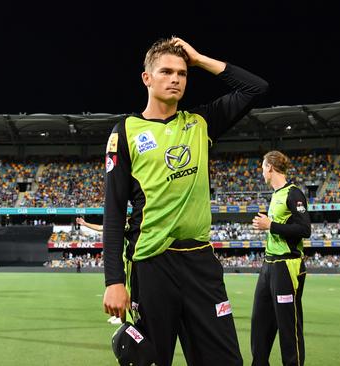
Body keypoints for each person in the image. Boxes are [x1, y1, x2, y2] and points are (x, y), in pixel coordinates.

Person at [103, 36, 268, 365]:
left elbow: (256, 89)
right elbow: (113, 211)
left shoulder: (201, 123)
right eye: (165, 71)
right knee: (150, 359)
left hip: (200, 264)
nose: (176, 78)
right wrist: (114, 281)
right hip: (152, 265)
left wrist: (200, 59)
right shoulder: (125, 131)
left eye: (182, 72)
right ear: (146, 78)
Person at [250, 150, 311, 366]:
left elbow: (305, 229)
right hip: (269, 265)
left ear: (270, 168)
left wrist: (270, 225)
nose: (261, 171)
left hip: (287, 266)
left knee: (288, 326)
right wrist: (267, 224)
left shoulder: (293, 194)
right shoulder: (276, 194)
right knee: (259, 323)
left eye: (262, 166)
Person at [76, 217, 122, 325]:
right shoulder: (118, 226)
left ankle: (122, 316)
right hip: (121, 260)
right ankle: (118, 315)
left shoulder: (128, 226)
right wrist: (85, 223)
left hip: (125, 260)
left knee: (124, 289)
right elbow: (100, 228)